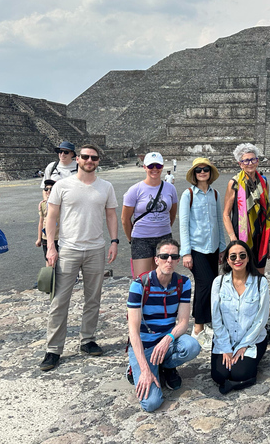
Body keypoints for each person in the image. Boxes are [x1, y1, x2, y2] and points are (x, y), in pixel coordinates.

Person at [40, 144, 119, 371]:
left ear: (98, 161)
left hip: (96, 248)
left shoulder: (106, 186)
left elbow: (111, 214)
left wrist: (114, 241)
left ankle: (87, 339)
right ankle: (53, 349)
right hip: (68, 249)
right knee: (59, 301)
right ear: (78, 159)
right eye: (85, 156)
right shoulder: (63, 185)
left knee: (93, 298)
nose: (89, 160)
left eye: (93, 157)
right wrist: (51, 247)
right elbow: (51, 216)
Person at [127, 239, 201, 411]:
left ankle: (166, 367)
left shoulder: (183, 283)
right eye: (164, 256)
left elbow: (183, 322)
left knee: (192, 346)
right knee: (151, 403)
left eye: (174, 256)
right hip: (145, 346)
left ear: (177, 260)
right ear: (156, 259)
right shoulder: (139, 285)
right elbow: (133, 331)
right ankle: (137, 368)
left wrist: (168, 338)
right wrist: (145, 370)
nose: (169, 260)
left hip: (166, 343)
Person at [210, 241, 269, 394]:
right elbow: (216, 318)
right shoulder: (219, 282)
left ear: (248, 258)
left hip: (252, 339)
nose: (238, 259)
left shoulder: (260, 283)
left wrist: (244, 345)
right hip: (226, 338)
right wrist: (225, 347)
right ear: (227, 260)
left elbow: (261, 319)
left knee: (240, 373)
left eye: (242, 255)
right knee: (219, 375)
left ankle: (252, 361)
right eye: (233, 256)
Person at [180, 157, 225, 350]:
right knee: (205, 284)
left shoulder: (215, 194)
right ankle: (197, 328)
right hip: (197, 248)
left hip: (213, 247)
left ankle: (204, 324)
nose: (202, 172)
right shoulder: (188, 194)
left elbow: (219, 222)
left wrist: (223, 247)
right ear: (194, 174)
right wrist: (186, 252)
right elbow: (183, 224)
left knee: (209, 286)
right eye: (198, 170)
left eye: (205, 169)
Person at [122, 152, 178, 278]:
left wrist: (163, 227)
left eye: (158, 166)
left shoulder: (170, 189)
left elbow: (172, 214)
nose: (154, 169)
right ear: (144, 167)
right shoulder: (135, 190)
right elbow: (125, 219)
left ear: (162, 167)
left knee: (163, 278)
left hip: (164, 238)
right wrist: (132, 240)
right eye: (151, 166)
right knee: (143, 280)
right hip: (141, 239)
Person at [223, 143, 270, 273]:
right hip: (241, 234)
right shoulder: (234, 183)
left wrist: (269, 240)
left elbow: (265, 212)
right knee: (242, 273)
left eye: (253, 159)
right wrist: (233, 237)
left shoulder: (264, 182)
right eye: (246, 160)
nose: (250, 163)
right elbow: (226, 214)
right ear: (240, 164)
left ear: (257, 161)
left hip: (261, 234)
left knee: (260, 274)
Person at [36, 179, 57, 266]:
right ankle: (50, 278)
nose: (48, 191)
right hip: (46, 237)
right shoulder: (43, 205)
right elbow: (41, 222)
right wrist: (39, 238)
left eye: (51, 189)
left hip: (58, 236)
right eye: (46, 189)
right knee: (48, 261)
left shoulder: (60, 204)